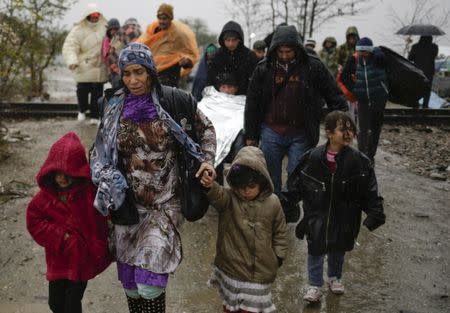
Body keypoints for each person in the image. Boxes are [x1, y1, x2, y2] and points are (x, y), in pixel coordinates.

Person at [90, 42, 216, 313]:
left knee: (150, 284)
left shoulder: (175, 101)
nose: (133, 80)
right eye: (127, 74)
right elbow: (99, 149)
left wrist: (207, 161)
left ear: (150, 71)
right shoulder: (112, 107)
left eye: (139, 72)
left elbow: (206, 129)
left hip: (164, 203)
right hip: (127, 204)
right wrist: (104, 176)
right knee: (131, 285)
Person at [244, 25, 348, 213]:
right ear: (275, 49)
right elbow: (252, 103)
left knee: (296, 174)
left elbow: (335, 97)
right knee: (270, 175)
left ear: (297, 49)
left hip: (301, 132)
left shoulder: (313, 67)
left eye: (289, 51)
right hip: (271, 130)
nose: (284, 55)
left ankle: (290, 204)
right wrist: (251, 134)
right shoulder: (264, 68)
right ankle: (276, 209)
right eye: (281, 51)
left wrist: (339, 125)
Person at [286, 111, 385, 303]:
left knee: (338, 249)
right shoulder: (313, 158)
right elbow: (296, 184)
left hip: (345, 215)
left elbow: (369, 190)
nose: (348, 133)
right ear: (329, 133)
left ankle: (334, 277)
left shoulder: (359, 161)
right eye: (342, 129)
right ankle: (315, 285)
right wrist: (286, 204)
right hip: (316, 214)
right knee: (315, 249)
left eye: (351, 129)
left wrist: (375, 212)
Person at [26, 132, 111, 313]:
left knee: (72, 303)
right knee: (56, 303)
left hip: (82, 259)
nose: (62, 178)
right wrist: (60, 236)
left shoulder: (88, 193)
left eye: (68, 173)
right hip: (59, 259)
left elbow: (102, 220)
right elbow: (34, 220)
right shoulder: (45, 198)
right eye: (57, 174)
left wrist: (100, 247)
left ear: (78, 171)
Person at [200, 146, 288, 313]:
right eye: (241, 187)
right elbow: (217, 194)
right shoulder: (229, 199)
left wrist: (279, 256)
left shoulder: (273, 203)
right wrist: (210, 185)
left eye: (251, 186)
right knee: (230, 307)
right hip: (231, 270)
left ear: (262, 182)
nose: (246, 191)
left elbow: (280, 233)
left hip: (260, 273)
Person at [341, 37, 389, 163]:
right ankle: (362, 156)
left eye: (365, 51)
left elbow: (390, 71)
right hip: (362, 99)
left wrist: (385, 90)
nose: (362, 54)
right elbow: (344, 76)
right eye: (360, 51)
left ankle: (371, 155)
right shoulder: (354, 59)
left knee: (375, 128)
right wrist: (354, 89)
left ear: (370, 51)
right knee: (362, 129)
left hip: (378, 99)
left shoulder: (378, 58)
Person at [62, 3, 108, 124]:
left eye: (96, 16)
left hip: (99, 67)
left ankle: (95, 116)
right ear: (86, 16)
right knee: (82, 91)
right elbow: (70, 46)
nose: (94, 18)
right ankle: (82, 110)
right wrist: (72, 60)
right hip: (83, 66)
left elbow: (112, 42)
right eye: (92, 16)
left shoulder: (104, 27)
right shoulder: (78, 30)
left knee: (97, 94)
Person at [138, 3, 199, 87]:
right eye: (160, 18)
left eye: (164, 19)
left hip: (169, 76)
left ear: (170, 19)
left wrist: (186, 61)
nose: (162, 21)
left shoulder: (179, 34)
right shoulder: (152, 30)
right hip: (152, 74)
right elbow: (141, 45)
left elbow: (190, 54)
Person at [207, 21, 258, 95]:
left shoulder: (249, 56)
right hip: (220, 98)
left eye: (233, 40)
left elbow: (254, 81)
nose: (230, 43)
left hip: (243, 97)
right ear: (223, 40)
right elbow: (210, 79)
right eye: (228, 40)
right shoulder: (217, 56)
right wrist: (220, 87)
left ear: (239, 40)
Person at [107, 17, 143, 89]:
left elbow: (111, 52)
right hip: (137, 71)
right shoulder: (141, 33)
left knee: (118, 95)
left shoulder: (120, 33)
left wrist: (116, 69)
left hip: (120, 71)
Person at [408, 36, 439, 108]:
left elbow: (410, 58)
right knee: (427, 89)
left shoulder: (415, 46)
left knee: (416, 88)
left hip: (417, 71)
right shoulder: (434, 47)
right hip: (429, 71)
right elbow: (434, 55)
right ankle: (425, 105)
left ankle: (415, 104)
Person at [102, 18, 121, 88]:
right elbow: (106, 55)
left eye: (116, 29)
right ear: (108, 30)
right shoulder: (106, 40)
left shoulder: (120, 39)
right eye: (112, 29)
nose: (114, 31)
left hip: (121, 68)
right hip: (112, 69)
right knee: (116, 88)